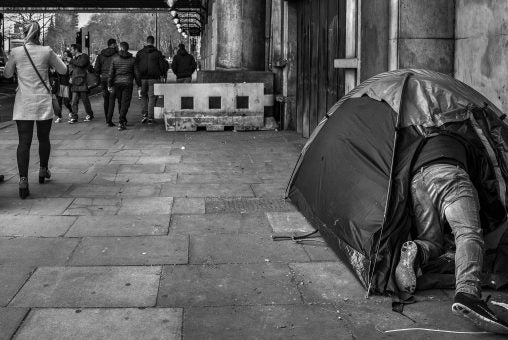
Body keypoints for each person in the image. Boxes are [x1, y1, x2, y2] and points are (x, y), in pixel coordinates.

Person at [395, 133, 508, 334]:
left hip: (417, 181)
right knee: (468, 234)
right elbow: (485, 176)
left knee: (432, 241)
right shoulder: (461, 136)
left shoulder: (416, 138)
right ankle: (468, 293)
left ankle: (416, 249)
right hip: (451, 174)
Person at [3, 21, 67, 199]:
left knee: (24, 142)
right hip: (42, 102)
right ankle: (43, 170)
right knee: (43, 138)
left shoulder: (16, 52)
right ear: (39, 34)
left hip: (24, 102)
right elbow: (63, 69)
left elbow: (7, 74)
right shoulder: (46, 51)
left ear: (24, 33)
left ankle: (23, 180)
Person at [108, 42, 140, 131]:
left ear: (120, 48)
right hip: (128, 83)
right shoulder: (133, 60)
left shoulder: (115, 59)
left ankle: (122, 119)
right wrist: (139, 85)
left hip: (117, 83)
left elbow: (111, 73)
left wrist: (109, 84)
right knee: (125, 103)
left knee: (120, 102)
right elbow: (137, 73)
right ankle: (121, 121)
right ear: (127, 48)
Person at [135, 35, 166, 124]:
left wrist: (137, 80)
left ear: (146, 41)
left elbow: (136, 66)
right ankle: (150, 118)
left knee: (143, 96)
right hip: (154, 78)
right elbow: (162, 66)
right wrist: (163, 75)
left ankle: (144, 115)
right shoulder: (157, 53)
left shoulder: (140, 53)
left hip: (142, 78)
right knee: (152, 97)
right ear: (153, 42)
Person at [94, 38, 119, 125]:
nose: (116, 45)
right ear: (113, 44)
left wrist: (99, 76)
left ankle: (107, 118)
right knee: (112, 99)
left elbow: (96, 69)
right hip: (113, 79)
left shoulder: (100, 56)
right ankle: (109, 119)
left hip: (103, 79)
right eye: (115, 44)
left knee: (106, 99)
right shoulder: (117, 55)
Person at [69, 44, 94, 124]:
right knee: (73, 101)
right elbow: (72, 69)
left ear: (76, 50)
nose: (71, 51)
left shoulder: (84, 56)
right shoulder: (74, 58)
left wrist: (72, 60)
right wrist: (70, 77)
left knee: (85, 100)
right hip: (75, 82)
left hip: (82, 81)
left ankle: (90, 114)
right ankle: (74, 117)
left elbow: (81, 64)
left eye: (72, 49)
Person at [52, 51, 73, 123]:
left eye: (66, 55)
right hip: (59, 84)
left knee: (66, 102)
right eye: (64, 55)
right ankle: (59, 116)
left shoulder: (70, 64)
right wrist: (54, 71)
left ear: (69, 56)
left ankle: (71, 111)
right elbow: (56, 74)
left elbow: (68, 73)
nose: (64, 56)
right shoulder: (60, 64)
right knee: (58, 102)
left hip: (66, 84)